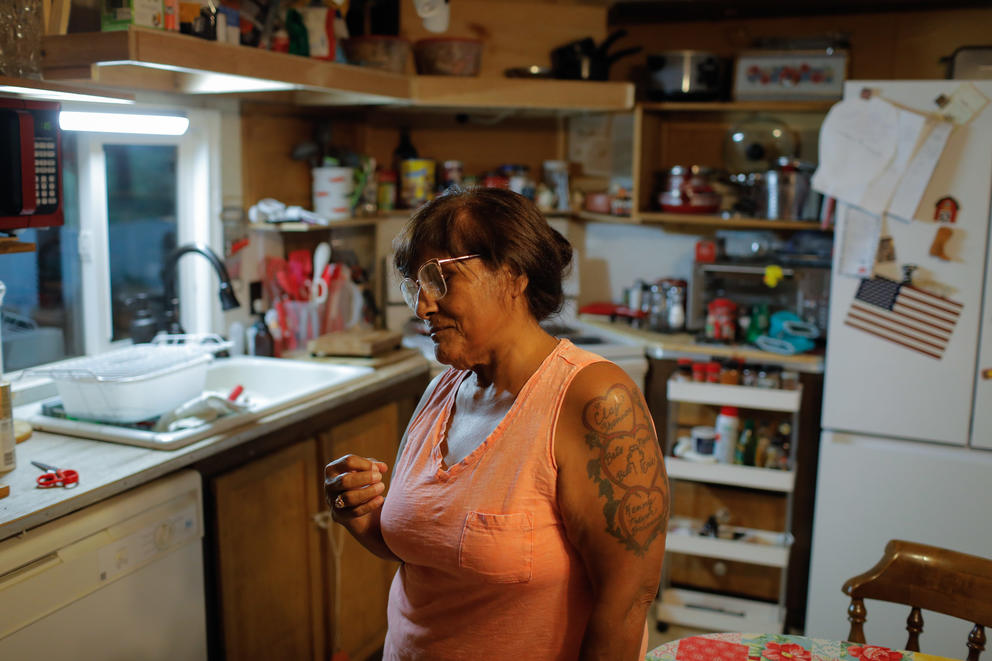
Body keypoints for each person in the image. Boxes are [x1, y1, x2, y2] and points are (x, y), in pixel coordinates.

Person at [324, 187, 668, 660]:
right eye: (414, 285)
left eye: (440, 278)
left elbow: (628, 599)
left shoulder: (592, 399)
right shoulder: (442, 390)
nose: (422, 306)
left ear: (513, 274)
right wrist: (366, 522)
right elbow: (436, 555)